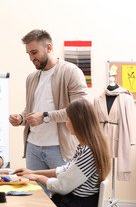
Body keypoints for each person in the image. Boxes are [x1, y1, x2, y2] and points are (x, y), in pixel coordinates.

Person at [9, 29, 88, 193]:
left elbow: (80, 110)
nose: (31, 58)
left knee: (64, 195)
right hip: (33, 147)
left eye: (34, 52)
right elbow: (31, 109)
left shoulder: (71, 72)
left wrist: (45, 117)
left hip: (59, 148)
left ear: (49, 48)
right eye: (28, 54)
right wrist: (21, 118)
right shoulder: (31, 78)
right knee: (37, 197)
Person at [13, 99, 111, 207]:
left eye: (67, 119)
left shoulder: (88, 152)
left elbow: (61, 186)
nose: (66, 124)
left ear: (78, 121)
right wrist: (33, 172)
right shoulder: (85, 148)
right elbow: (65, 169)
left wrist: (37, 177)